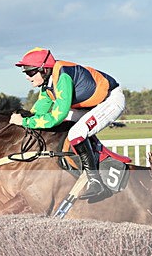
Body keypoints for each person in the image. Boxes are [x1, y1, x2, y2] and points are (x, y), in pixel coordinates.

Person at [9, 47, 125, 201]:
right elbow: (39, 109)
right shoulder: (48, 83)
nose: (27, 77)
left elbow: (56, 116)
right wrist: (23, 118)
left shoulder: (62, 77)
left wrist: (25, 121)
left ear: (44, 70)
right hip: (93, 105)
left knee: (76, 133)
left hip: (110, 101)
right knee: (65, 126)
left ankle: (96, 182)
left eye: (30, 72)